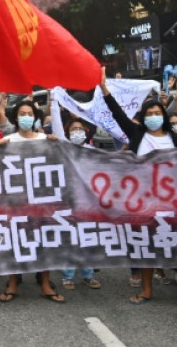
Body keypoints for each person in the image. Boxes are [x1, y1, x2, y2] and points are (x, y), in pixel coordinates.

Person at [100, 68, 177, 305]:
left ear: (163, 114)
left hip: (176, 200)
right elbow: (117, 114)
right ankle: (147, 289)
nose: (153, 116)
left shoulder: (176, 138)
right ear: (144, 116)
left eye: (157, 112)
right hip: (144, 200)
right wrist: (104, 88)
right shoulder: (137, 135)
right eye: (149, 113)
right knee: (147, 244)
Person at [0, 100, 63, 303]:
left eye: (29, 113)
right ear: (16, 117)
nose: (26, 117)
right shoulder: (9, 140)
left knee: (44, 241)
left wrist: (55, 145)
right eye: (22, 113)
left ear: (35, 117)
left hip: (42, 199)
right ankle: (13, 282)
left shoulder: (45, 139)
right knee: (15, 241)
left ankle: (45, 283)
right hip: (16, 200)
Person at [59, 118, 103, 291]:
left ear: (86, 131)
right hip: (69, 199)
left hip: (89, 202)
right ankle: (67, 275)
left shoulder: (93, 151)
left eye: (80, 128)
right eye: (73, 129)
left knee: (88, 238)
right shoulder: (64, 150)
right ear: (68, 133)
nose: (77, 131)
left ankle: (88, 274)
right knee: (70, 238)